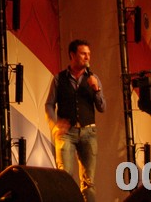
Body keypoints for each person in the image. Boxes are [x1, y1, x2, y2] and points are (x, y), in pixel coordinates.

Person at [45, 39, 106, 202]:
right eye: (83, 54)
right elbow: (49, 105)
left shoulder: (93, 78)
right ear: (72, 55)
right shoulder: (59, 79)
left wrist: (96, 89)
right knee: (64, 178)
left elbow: (102, 107)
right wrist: (55, 123)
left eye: (89, 54)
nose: (87, 57)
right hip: (66, 134)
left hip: (89, 133)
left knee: (88, 182)